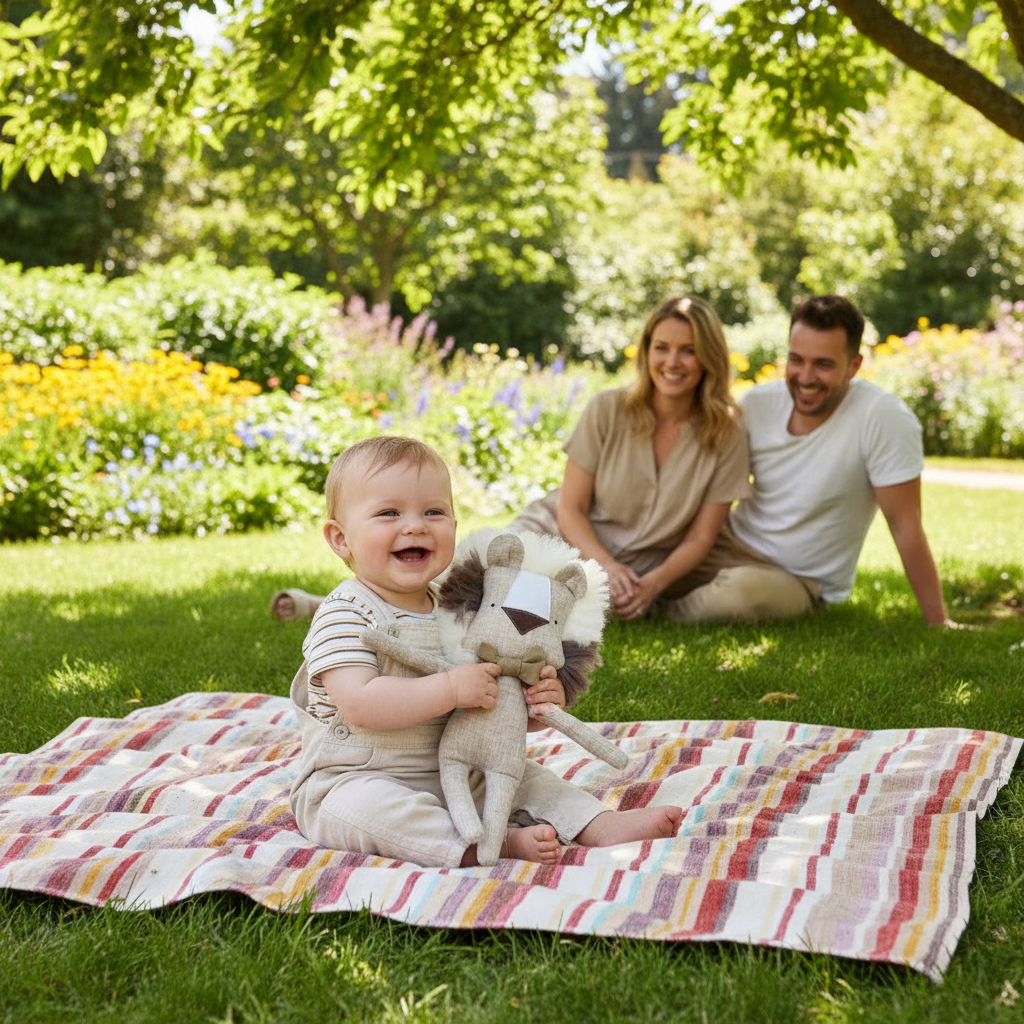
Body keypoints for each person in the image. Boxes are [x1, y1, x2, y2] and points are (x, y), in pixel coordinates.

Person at [288, 435, 683, 868]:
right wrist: (452, 689)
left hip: (456, 765)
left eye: (434, 512)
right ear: (340, 538)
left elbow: (492, 701)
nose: (416, 525)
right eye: (389, 513)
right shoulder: (346, 612)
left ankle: (597, 824)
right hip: (358, 776)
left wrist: (533, 706)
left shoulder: (460, 610)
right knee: (373, 812)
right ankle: (488, 845)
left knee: (527, 778)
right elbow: (361, 703)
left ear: (455, 527)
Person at [511, 295, 809, 621]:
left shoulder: (725, 431)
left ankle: (658, 609)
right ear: (647, 351)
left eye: (689, 351)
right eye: (662, 348)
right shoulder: (607, 408)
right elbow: (571, 509)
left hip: (653, 562)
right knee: (502, 581)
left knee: (777, 594)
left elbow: (701, 537)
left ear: (708, 357)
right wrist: (606, 567)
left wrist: (653, 584)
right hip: (569, 538)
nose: (672, 362)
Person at [699, 294, 952, 625]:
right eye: (796, 359)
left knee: (737, 595)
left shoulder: (882, 418)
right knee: (653, 556)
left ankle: (653, 610)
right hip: (729, 546)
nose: (805, 377)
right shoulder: (758, 404)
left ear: (854, 365)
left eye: (823, 364)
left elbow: (905, 524)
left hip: (797, 579)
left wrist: (938, 620)